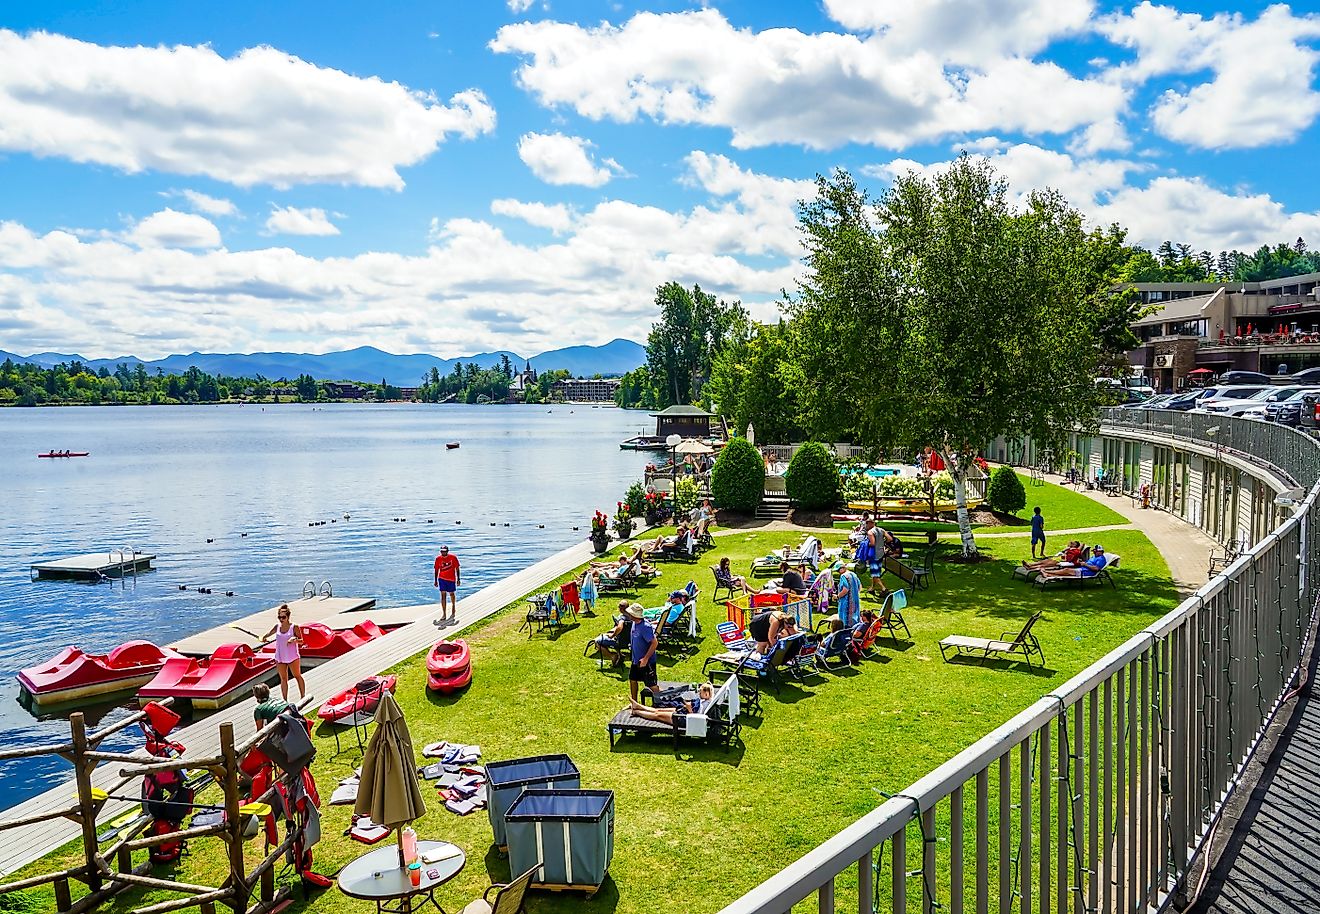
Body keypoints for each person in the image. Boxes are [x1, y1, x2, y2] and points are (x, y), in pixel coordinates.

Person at [261, 603, 306, 701]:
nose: (281, 619)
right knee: (283, 679)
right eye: (279, 617)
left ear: (288, 617)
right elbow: (269, 633)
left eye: (283, 617)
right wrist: (264, 637)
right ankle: (285, 700)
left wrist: (294, 640)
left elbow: (301, 641)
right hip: (280, 657)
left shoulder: (294, 627)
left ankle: (303, 696)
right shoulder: (277, 626)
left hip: (292, 656)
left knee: (297, 676)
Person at [628, 682, 715, 727]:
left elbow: (696, 719)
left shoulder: (705, 705)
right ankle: (638, 706)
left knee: (657, 715)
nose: (699, 693)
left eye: (701, 692)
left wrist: (689, 709)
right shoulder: (705, 700)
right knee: (657, 710)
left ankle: (636, 712)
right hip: (683, 711)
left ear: (707, 694)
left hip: (684, 718)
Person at [626, 603, 657, 701]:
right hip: (636, 660)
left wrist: (646, 659)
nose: (628, 615)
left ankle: (664, 701)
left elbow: (654, 643)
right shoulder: (634, 623)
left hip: (646, 662)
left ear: (635, 615)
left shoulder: (645, 627)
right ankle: (634, 703)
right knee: (633, 679)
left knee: (651, 685)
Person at [593, 600, 634, 666]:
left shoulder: (622, 618)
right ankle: (620, 655)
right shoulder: (633, 617)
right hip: (630, 641)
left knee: (597, 641)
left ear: (620, 608)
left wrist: (612, 635)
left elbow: (620, 627)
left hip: (620, 642)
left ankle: (612, 656)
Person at [1039, 545, 1108, 580]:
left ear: (1100, 551)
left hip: (1086, 572)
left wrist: (1085, 565)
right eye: (1094, 551)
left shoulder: (1101, 559)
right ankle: (1048, 574)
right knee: (1065, 571)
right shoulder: (1095, 557)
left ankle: (1047, 572)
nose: (1094, 552)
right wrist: (1082, 562)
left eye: (1095, 551)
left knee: (1066, 570)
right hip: (1082, 569)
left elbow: (1096, 569)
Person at [433, 546, 460, 623]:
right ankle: (444, 613)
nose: (443, 553)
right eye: (442, 551)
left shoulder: (453, 557)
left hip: (451, 579)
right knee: (443, 595)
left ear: (447, 551)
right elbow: (436, 570)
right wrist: (435, 580)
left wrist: (458, 579)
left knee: (451, 594)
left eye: (444, 551)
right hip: (442, 579)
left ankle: (453, 605)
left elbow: (457, 568)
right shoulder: (438, 559)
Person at [835, 564, 862, 630]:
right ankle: (854, 629)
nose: (839, 572)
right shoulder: (854, 574)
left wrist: (837, 596)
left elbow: (845, 589)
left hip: (846, 601)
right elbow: (860, 586)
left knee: (845, 619)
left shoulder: (843, 576)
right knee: (854, 617)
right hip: (855, 601)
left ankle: (845, 631)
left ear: (842, 568)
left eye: (839, 570)